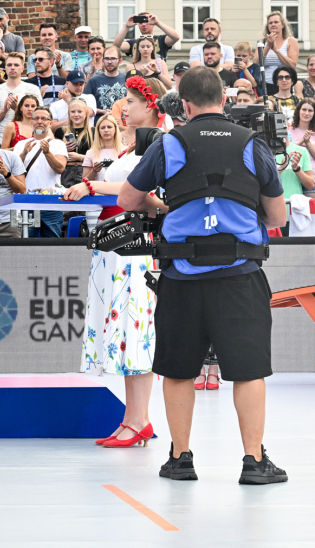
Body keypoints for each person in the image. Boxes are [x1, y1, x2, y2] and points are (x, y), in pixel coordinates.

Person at [118, 66, 288, 484]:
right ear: (225, 100)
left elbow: (127, 199)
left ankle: (180, 458)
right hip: (240, 274)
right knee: (247, 370)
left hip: (182, 275)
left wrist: (164, 208)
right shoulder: (253, 144)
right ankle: (253, 461)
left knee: (178, 369)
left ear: (186, 104)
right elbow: (278, 216)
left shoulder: (169, 143)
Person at [66, 75, 164, 448]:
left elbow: (139, 194)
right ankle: (132, 418)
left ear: (150, 106)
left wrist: (91, 185)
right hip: (117, 244)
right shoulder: (131, 149)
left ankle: (140, 419)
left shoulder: (158, 146)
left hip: (137, 248)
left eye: (131, 102)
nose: (125, 108)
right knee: (125, 333)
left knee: (135, 331)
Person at [13, 108, 68, 237]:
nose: (39, 121)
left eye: (44, 119)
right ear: (31, 121)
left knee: (52, 246)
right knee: (25, 245)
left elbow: (60, 168)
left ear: (50, 123)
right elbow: (12, 171)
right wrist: (24, 153)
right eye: (36, 118)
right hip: (26, 202)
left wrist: (47, 152)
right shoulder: (20, 145)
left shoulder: (58, 144)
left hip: (52, 202)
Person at [0, 53, 41, 144]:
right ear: (5, 68)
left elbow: (38, 116)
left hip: (27, 139)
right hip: (1, 140)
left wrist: (17, 109)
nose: (12, 67)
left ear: (22, 68)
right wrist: (4, 110)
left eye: (16, 65)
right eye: (9, 65)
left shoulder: (33, 89)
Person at [275, 136, 313, 237]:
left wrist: (296, 168)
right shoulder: (263, 151)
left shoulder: (301, 151)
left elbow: (310, 185)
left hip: (296, 216)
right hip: (273, 217)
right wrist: (281, 168)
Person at [113, 12, 181, 61]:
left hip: (157, 78)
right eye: (140, 23)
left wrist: (158, 23)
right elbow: (116, 47)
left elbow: (176, 37)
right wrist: (126, 27)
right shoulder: (134, 43)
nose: (143, 25)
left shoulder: (161, 40)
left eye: (146, 21)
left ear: (153, 23)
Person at [58, 99, 93, 187]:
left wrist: (80, 157)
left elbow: (100, 155)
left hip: (86, 171)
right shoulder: (60, 131)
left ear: (86, 114)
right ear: (69, 114)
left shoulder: (94, 131)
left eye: (80, 111)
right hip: (65, 172)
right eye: (73, 112)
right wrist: (62, 148)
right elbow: (53, 155)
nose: (76, 114)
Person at [86, 46, 128, 115]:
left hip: (121, 124)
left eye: (113, 59)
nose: (109, 62)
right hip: (100, 123)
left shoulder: (127, 79)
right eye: (107, 59)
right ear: (103, 60)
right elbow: (85, 106)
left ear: (120, 61)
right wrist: (102, 111)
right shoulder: (93, 81)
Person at [261, 11, 299, 87]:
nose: (273, 25)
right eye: (270, 23)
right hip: (265, 84)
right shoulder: (262, 41)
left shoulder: (291, 41)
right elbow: (256, 63)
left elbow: (292, 65)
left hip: (284, 84)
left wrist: (276, 51)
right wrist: (268, 46)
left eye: (276, 22)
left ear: (283, 25)